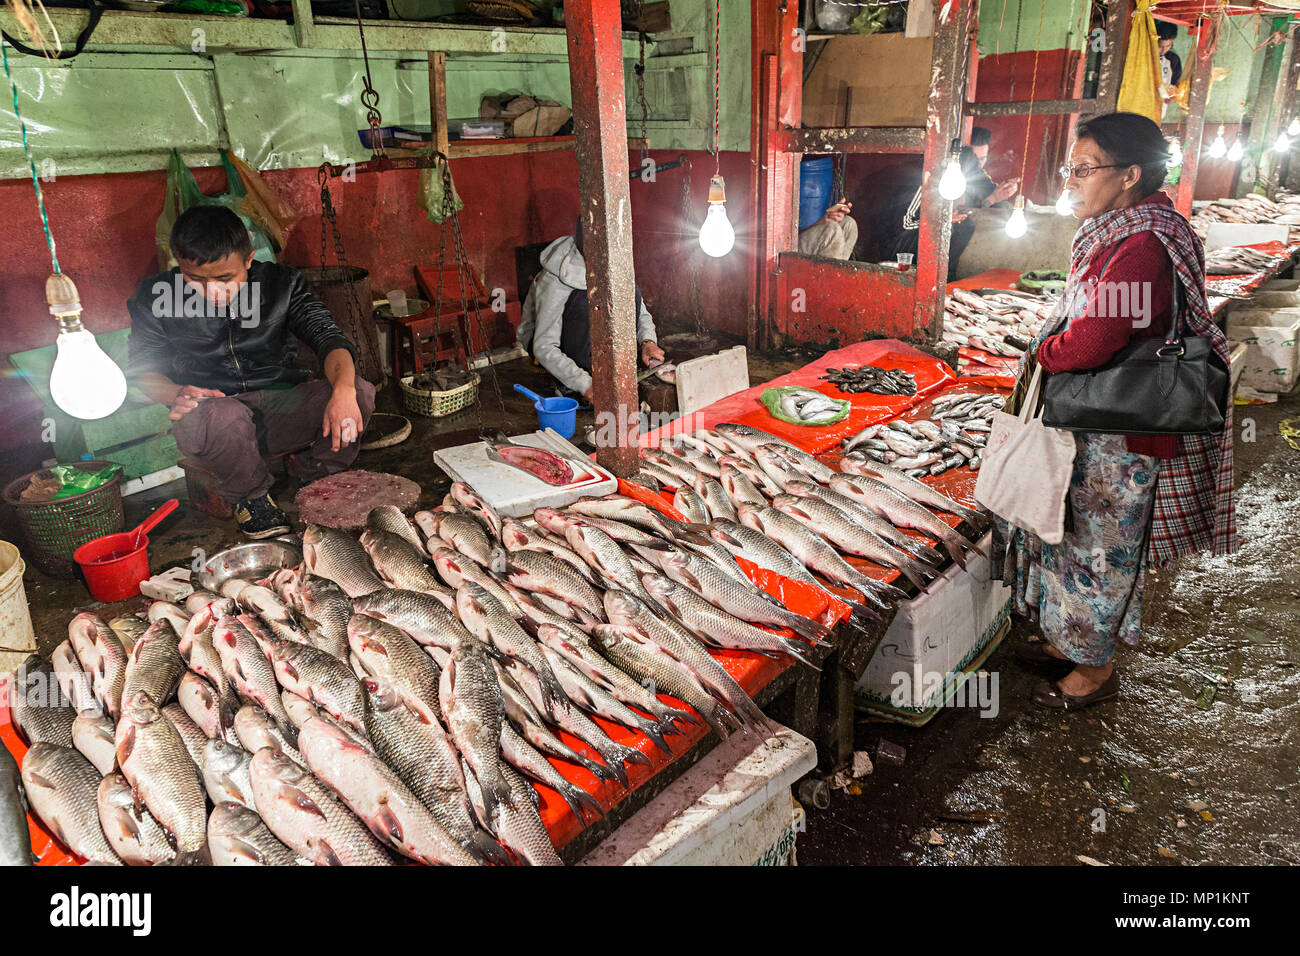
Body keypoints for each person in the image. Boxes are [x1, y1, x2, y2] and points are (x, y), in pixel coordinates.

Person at [994, 111, 1235, 709]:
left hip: (1121, 434)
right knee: (1071, 539)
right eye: (1069, 168)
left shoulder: (1142, 245)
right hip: (1096, 425)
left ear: (1129, 175)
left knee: (1101, 553)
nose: (1071, 181)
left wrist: (1044, 351)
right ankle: (1070, 644)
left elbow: (1095, 339)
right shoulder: (1121, 232)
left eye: (1085, 169)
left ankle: (1094, 674)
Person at [128, 205, 375, 539]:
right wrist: (175, 393)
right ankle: (252, 500)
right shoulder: (157, 295)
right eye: (195, 278)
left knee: (358, 392)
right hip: (211, 420)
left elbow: (329, 339)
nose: (211, 291)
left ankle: (319, 480)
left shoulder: (281, 284)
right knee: (226, 414)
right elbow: (143, 368)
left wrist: (343, 392)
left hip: (279, 407)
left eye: (224, 278)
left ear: (248, 259)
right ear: (177, 261)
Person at [516, 221, 664, 402]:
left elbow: (639, 311)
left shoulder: (613, 258)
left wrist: (648, 341)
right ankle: (573, 377)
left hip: (583, 335)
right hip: (544, 342)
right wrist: (584, 384)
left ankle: (607, 364)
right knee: (584, 300)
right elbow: (543, 346)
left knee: (630, 290)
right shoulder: (558, 276)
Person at [877, 128, 1017, 280]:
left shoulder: (962, 174)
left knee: (965, 226)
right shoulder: (920, 184)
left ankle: (946, 278)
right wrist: (942, 220)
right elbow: (903, 226)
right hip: (898, 246)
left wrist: (1004, 191)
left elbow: (985, 186)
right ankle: (928, 277)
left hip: (925, 230)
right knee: (950, 226)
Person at [1157, 21, 1182, 100]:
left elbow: (1175, 82)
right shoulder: (1146, 56)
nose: (1164, 50)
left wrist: (1172, 94)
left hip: (1162, 103)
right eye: (1160, 46)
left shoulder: (1174, 59)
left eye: (1168, 46)